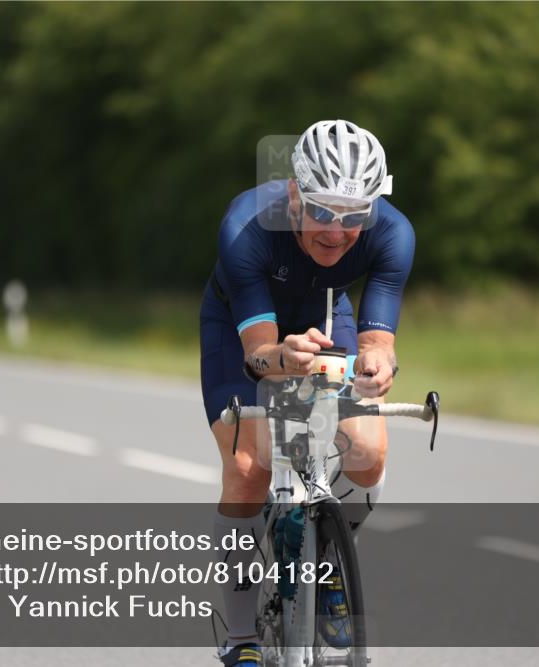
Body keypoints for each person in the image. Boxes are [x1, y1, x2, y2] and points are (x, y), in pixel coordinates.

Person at [200, 119, 415, 666]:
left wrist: (377, 365)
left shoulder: (393, 233)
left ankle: (331, 560)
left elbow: (378, 340)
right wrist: (282, 358)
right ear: (295, 194)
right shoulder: (246, 226)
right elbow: (259, 355)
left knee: (367, 449)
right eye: (323, 211)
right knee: (248, 466)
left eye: (354, 216)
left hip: (325, 313)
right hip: (241, 327)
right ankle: (241, 638)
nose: (337, 232)